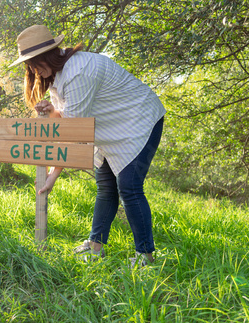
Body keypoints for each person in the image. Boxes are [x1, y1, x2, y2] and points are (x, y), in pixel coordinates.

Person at [10, 25, 166, 267]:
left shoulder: (79, 71)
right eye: (29, 65)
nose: (33, 70)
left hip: (140, 121)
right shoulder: (57, 76)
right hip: (110, 128)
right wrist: (53, 111)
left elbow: (73, 132)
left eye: (35, 62)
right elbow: (67, 118)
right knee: (106, 185)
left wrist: (52, 175)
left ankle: (145, 256)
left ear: (49, 54)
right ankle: (95, 246)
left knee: (129, 186)